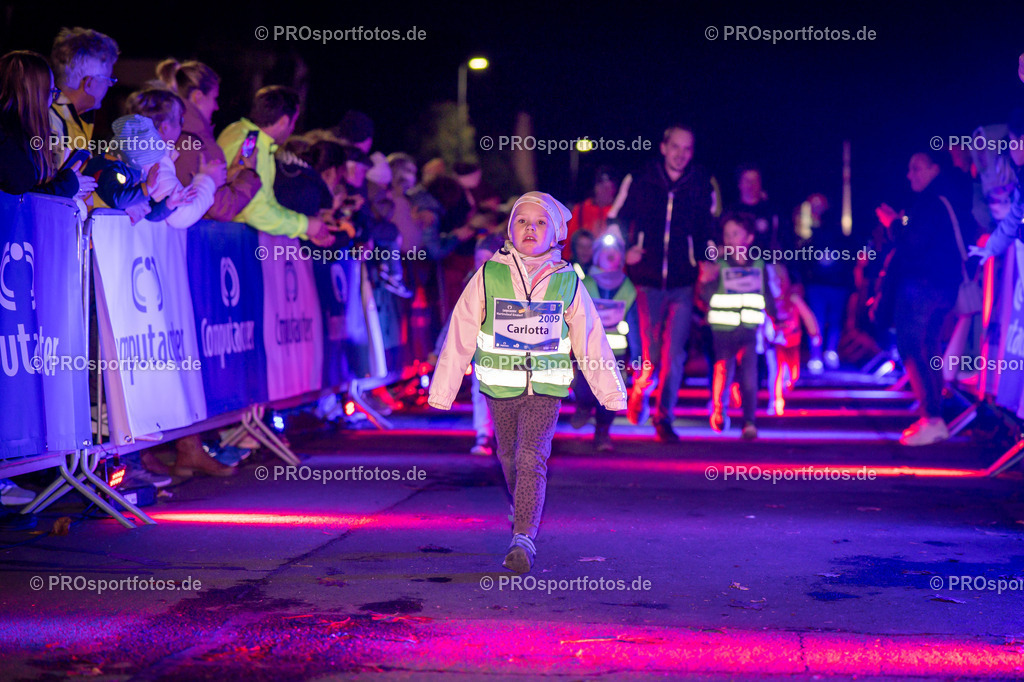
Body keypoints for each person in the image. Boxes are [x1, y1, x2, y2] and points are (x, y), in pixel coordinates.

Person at [428, 191, 627, 573]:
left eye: (539, 223)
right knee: (507, 457)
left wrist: (610, 393)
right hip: (499, 388)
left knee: (529, 457)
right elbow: (461, 330)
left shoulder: (568, 280)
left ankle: (523, 540)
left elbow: (590, 338)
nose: (530, 229)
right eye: (522, 221)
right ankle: (521, 506)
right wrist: (444, 390)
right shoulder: (489, 274)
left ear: (554, 233)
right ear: (510, 229)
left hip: (546, 391)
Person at [612, 124, 716, 441]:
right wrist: (622, 251)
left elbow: (708, 230)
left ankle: (664, 416)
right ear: (663, 146)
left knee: (676, 354)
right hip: (645, 282)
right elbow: (615, 219)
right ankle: (641, 390)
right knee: (650, 356)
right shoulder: (640, 180)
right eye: (675, 147)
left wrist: (709, 258)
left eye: (687, 149)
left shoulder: (701, 184)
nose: (681, 154)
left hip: (684, 283)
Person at [875, 151, 974, 446]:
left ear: (934, 169)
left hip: (922, 287)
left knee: (913, 348)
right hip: (941, 286)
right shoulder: (948, 197)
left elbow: (914, 244)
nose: (910, 174)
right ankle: (932, 417)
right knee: (928, 347)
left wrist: (893, 223)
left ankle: (932, 417)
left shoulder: (932, 201)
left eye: (916, 167)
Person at [217, 86, 334, 245]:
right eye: (293, 122)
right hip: (230, 243)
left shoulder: (241, 131)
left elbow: (265, 203)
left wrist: (306, 226)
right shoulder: (251, 145)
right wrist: (305, 225)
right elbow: (255, 212)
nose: (292, 128)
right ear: (284, 121)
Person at [700, 213, 776, 439]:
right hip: (723, 331)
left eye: (735, 233)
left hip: (751, 330)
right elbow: (706, 294)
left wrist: (776, 318)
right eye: (727, 235)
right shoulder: (720, 264)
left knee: (750, 376)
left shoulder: (759, 264)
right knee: (724, 371)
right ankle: (719, 411)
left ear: (749, 238)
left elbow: (768, 293)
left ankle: (749, 422)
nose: (730, 239)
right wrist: (706, 281)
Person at [157, 59, 262, 222]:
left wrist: (229, 176)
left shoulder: (165, 130)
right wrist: (249, 174)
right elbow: (223, 207)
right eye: (214, 98)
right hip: (189, 240)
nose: (216, 107)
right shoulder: (198, 142)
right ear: (198, 96)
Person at [572, 233, 641, 451]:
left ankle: (602, 432)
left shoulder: (628, 288)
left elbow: (634, 323)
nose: (610, 257)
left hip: (615, 354)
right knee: (584, 390)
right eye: (605, 253)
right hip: (586, 352)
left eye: (615, 254)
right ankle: (583, 406)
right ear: (596, 257)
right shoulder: (584, 284)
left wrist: (638, 357)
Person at [124, 88, 223, 229]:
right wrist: (209, 180)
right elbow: (181, 215)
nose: (182, 126)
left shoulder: (136, 153)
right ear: (164, 128)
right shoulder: (151, 159)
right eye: (180, 120)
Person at [0, 50, 93, 198]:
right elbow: (20, 196)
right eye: (51, 92)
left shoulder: (13, 134)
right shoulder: (7, 139)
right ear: (35, 94)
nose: (52, 102)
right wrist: (66, 186)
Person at [82, 114, 194, 224]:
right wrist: (146, 188)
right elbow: (116, 199)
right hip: (92, 228)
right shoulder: (109, 167)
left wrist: (169, 204)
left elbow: (149, 212)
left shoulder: (135, 171)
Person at [48, 27, 119, 164]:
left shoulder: (76, 117)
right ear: (89, 83)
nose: (110, 85)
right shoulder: (52, 123)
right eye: (108, 79)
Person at [766, 263, 820, 415]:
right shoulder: (765, 301)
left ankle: (787, 385)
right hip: (774, 343)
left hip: (792, 342)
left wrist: (814, 333)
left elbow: (807, 315)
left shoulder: (793, 298)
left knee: (792, 374)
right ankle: (775, 401)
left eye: (779, 280)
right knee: (775, 371)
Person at [564, 166, 618, 259]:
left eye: (609, 187)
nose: (605, 191)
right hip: (584, 265)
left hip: (609, 266)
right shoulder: (580, 209)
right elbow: (569, 242)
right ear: (595, 188)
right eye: (601, 186)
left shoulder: (618, 213)